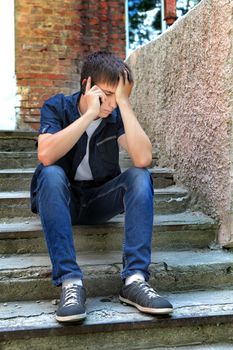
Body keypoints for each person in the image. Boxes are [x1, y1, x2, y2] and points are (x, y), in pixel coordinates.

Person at [30, 51, 173, 323]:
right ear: (87, 85)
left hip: (98, 200)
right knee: (49, 174)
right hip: (62, 200)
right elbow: (46, 154)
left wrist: (124, 103)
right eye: (108, 94)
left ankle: (134, 279)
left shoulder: (117, 115)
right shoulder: (57, 107)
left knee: (140, 176)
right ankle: (71, 282)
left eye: (119, 97)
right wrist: (89, 116)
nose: (112, 104)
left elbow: (143, 158)